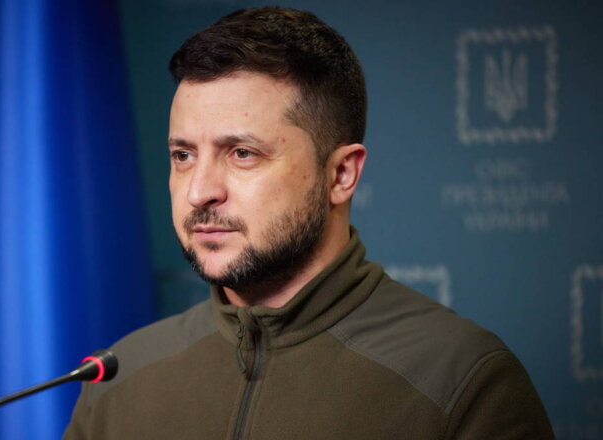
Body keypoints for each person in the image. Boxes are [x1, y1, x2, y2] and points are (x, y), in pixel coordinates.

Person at [64, 7, 553, 439]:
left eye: (242, 153)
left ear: (341, 175)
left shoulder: (465, 382)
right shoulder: (119, 376)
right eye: (183, 155)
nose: (199, 191)